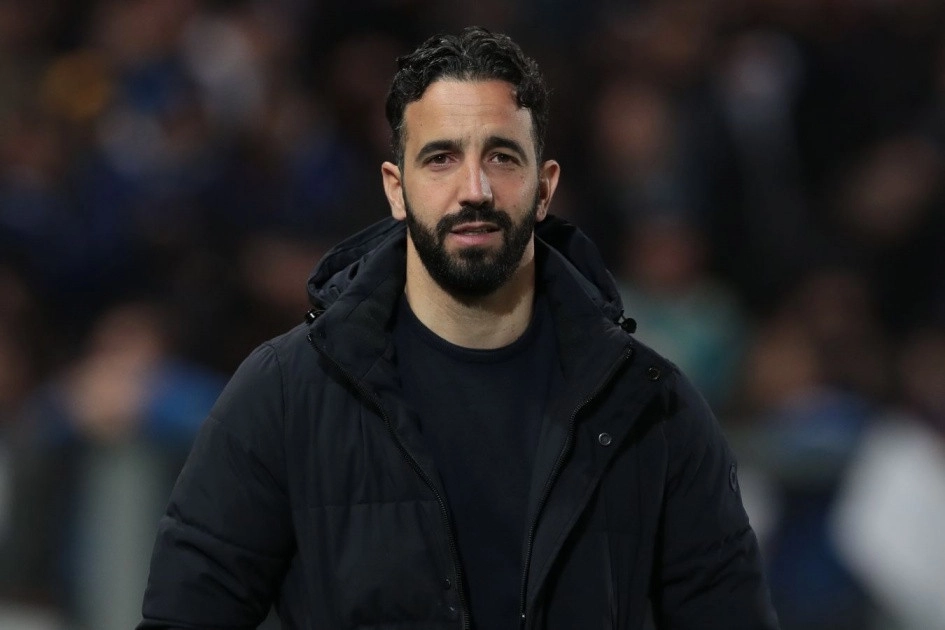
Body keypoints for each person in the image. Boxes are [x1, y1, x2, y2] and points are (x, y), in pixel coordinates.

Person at [139, 27, 779, 630]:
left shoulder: (650, 405)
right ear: (396, 189)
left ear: (544, 188)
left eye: (501, 157)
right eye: (441, 158)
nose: (474, 189)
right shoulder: (284, 395)